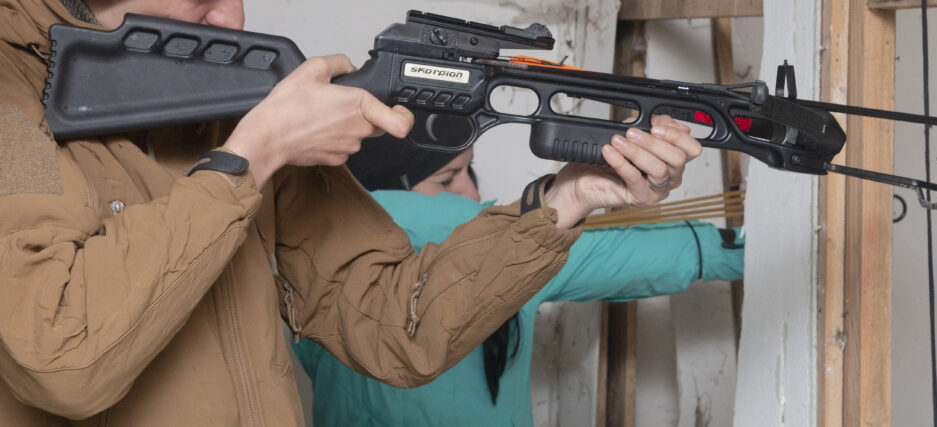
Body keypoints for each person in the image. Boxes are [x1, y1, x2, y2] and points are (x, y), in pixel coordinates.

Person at [0, 0, 703, 426]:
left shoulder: (218, 89)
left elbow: (394, 321)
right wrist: (252, 155)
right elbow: (60, 358)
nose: (233, 17)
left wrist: (563, 200)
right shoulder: (9, 113)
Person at [295, 136, 744, 426]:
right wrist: (746, 244)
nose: (472, 193)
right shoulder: (506, 248)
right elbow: (644, 254)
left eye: (469, 170)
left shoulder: (311, 256)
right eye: (448, 179)